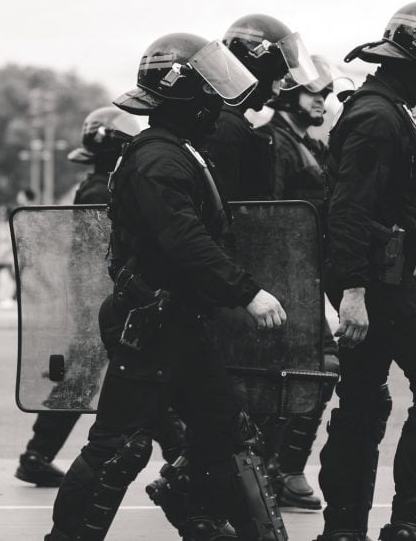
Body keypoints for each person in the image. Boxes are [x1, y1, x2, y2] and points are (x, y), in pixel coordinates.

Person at [46, 32, 289, 541]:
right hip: (152, 322)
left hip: (178, 320)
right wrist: (246, 291)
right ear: (187, 94)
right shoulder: (159, 158)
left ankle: (205, 514)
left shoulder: (175, 151)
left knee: (223, 429)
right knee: (118, 446)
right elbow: (185, 239)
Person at [317, 1, 416, 541]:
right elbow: (348, 208)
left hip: (378, 280)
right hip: (381, 285)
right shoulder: (378, 116)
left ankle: (343, 531)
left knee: (363, 402)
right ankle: (409, 528)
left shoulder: (386, 108)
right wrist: (354, 292)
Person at [14, 106, 142, 486]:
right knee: (138, 375)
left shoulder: (97, 184)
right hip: (104, 298)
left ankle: (37, 454)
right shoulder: (106, 188)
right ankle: (182, 456)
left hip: (95, 298)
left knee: (80, 379)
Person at [253, 55, 339, 511]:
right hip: (281, 277)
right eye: (313, 94)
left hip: (306, 273)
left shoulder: (308, 143)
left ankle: (283, 468)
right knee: (311, 368)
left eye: (325, 94)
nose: (322, 101)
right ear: (288, 94)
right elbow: (267, 213)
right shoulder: (273, 142)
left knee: (318, 368)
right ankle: (276, 469)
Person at [207, 13, 319, 200]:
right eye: (277, 76)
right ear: (255, 70)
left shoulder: (227, 119)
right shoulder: (226, 126)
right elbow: (230, 208)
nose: (276, 91)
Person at [0, 188, 32, 304]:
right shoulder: (0, 223)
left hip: (8, 254)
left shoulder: (17, 218)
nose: (1, 214)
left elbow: (12, 239)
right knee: (9, 275)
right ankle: (10, 294)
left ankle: (20, 293)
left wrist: (10, 251)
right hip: (2, 254)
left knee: (16, 275)